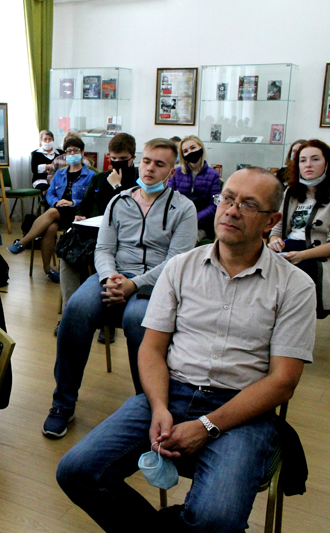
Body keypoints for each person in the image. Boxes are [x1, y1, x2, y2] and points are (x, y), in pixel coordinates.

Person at [57, 168, 315, 532]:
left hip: (241, 409)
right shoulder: (180, 268)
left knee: (216, 519)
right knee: (76, 471)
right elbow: (152, 349)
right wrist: (159, 406)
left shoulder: (294, 286)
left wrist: (206, 425)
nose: (231, 211)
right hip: (172, 392)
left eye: (248, 204)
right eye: (227, 199)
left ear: (271, 221)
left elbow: (283, 381)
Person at [43, 138, 197, 438]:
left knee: (137, 319)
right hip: (114, 276)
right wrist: (109, 278)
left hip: (156, 283)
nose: (150, 169)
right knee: (76, 309)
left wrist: (134, 284)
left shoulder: (183, 208)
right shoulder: (119, 201)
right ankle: (63, 403)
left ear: (171, 171)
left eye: (160, 164)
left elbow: (176, 262)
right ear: (140, 162)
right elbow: (103, 249)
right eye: (147, 161)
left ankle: (148, 407)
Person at [56, 133, 138, 341]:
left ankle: (106, 322)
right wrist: (80, 215)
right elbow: (85, 203)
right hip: (92, 231)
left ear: (133, 158)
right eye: (113, 158)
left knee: (106, 262)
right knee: (67, 255)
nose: (117, 163)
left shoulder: (138, 181)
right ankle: (70, 313)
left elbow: (130, 212)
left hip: (123, 237)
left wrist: (117, 186)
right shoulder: (100, 178)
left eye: (122, 159)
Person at [8, 136, 96, 283]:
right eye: (69, 151)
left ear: (82, 153)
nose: (72, 153)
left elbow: (92, 200)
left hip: (77, 214)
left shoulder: (91, 176)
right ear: (65, 154)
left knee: (52, 212)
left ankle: (23, 242)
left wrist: (72, 202)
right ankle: (47, 269)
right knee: (50, 228)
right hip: (58, 211)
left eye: (75, 150)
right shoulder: (60, 174)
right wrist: (56, 202)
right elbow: (50, 193)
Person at [269, 139, 330, 317]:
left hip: (316, 255)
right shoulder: (291, 192)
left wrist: (302, 255)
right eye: (302, 160)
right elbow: (276, 231)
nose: (308, 165)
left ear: (327, 163)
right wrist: (274, 241)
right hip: (289, 249)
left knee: (298, 276)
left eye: (315, 159)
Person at [168, 135, 222, 241]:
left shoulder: (213, 175)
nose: (190, 152)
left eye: (193, 148)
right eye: (185, 151)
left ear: (201, 147)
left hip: (201, 224)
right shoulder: (176, 173)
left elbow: (214, 205)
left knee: (186, 241)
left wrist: (195, 217)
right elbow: (168, 197)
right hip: (178, 219)